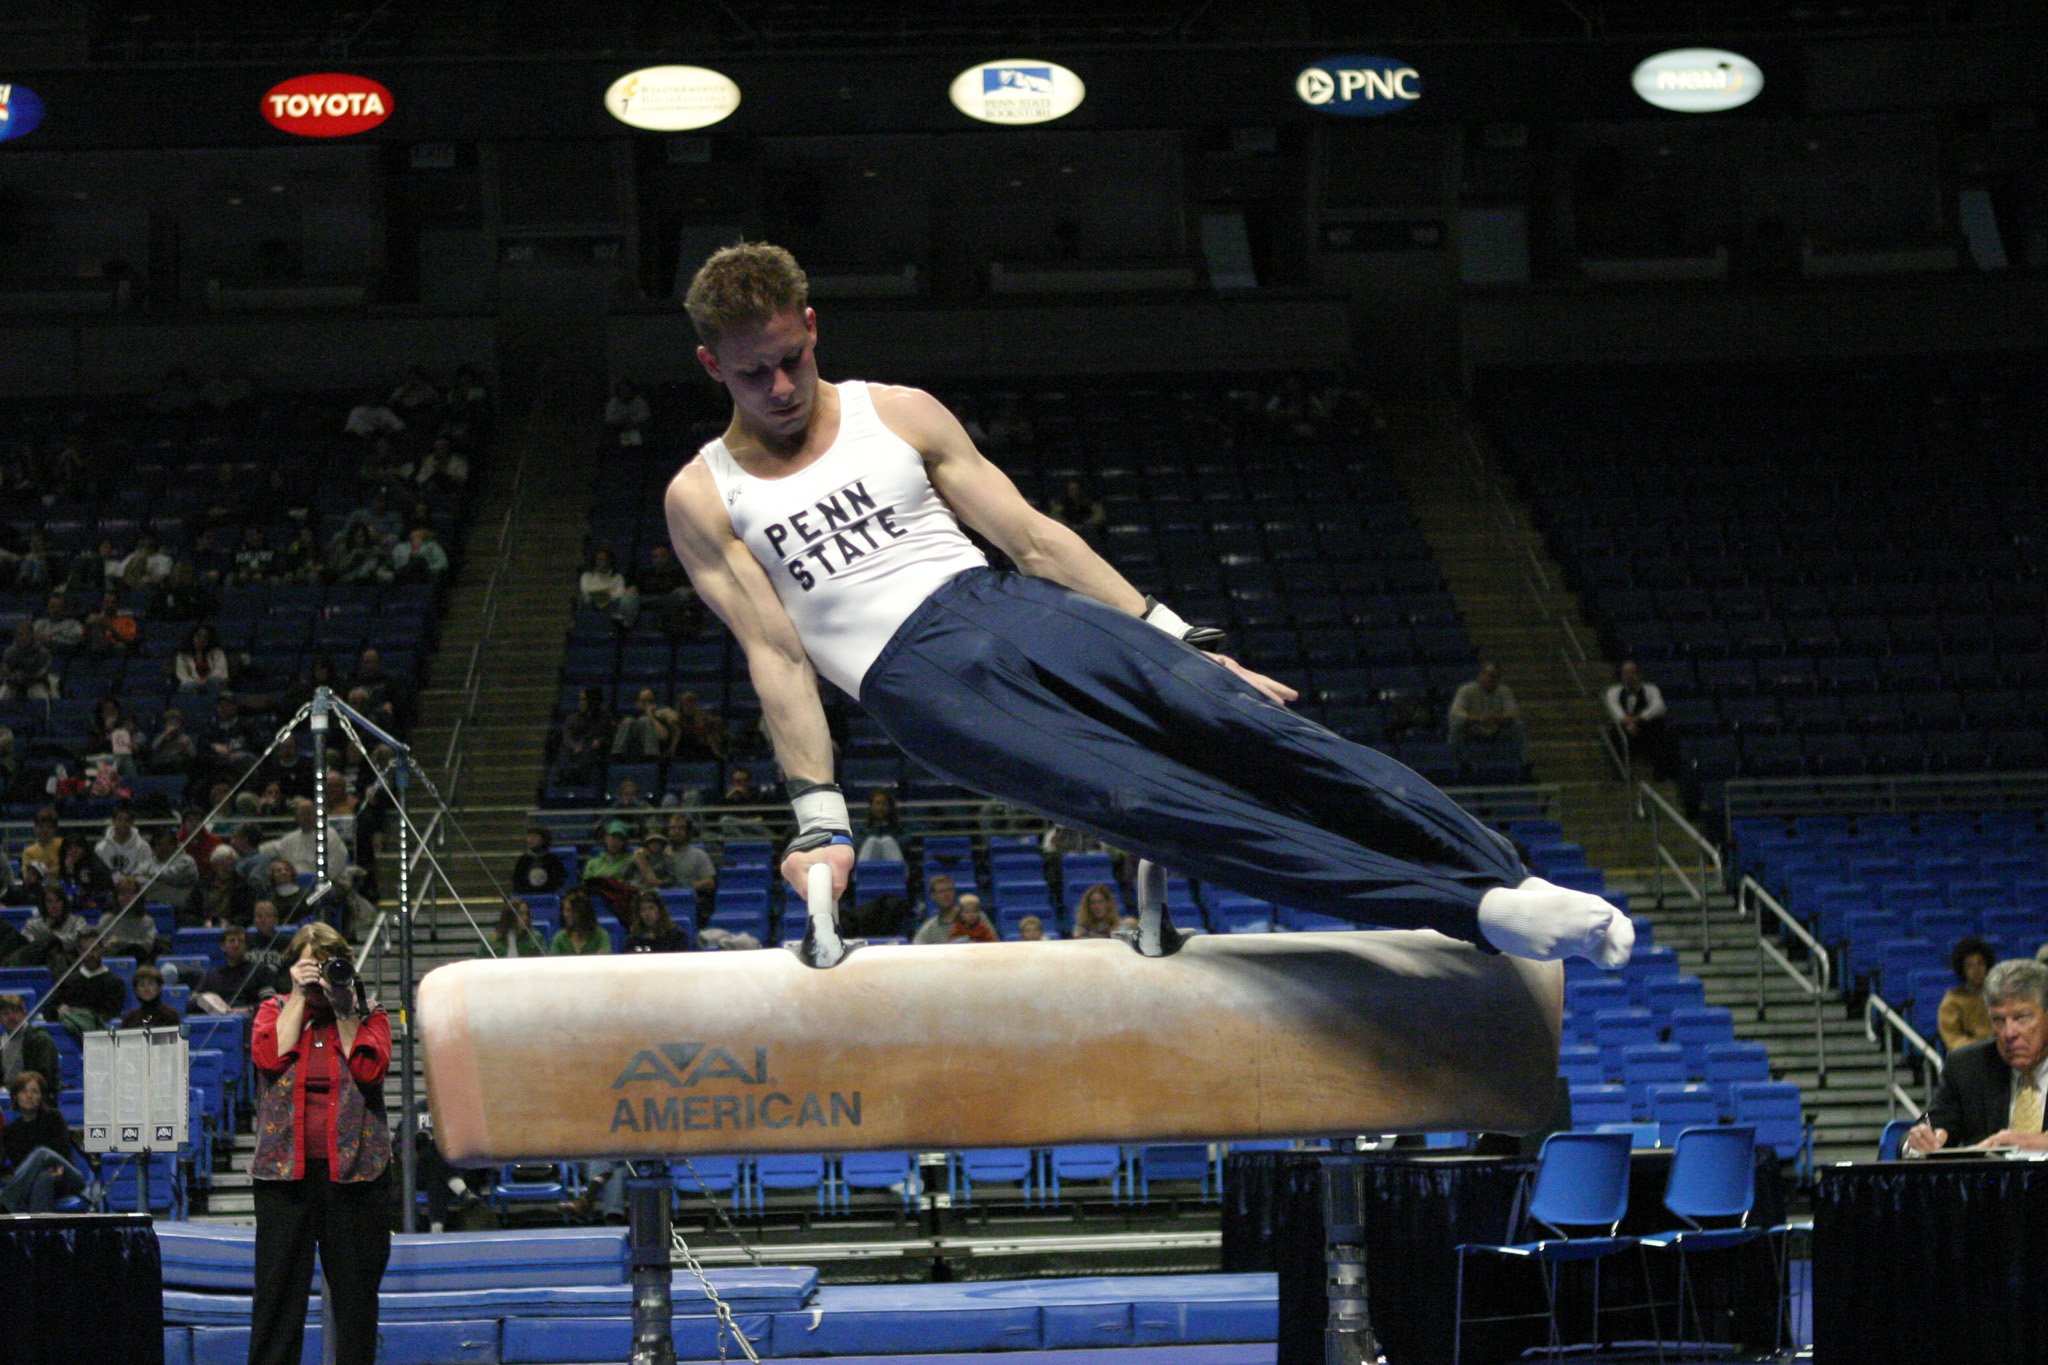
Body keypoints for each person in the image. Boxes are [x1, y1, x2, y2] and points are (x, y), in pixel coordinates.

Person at [666, 243, 1627, 970]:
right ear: (713, 367)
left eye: (790, 357)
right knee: (1151, 802)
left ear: (812, 324)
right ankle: (1475, 911)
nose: (782, 387)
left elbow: (1037, 540)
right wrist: (820, 817)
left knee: (1238, 719)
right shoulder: (705, 496)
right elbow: (781, 658)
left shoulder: (899, 411)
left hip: (1007, 601)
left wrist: (1182, 641)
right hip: (917, 683)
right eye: (754, 374)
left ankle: (1507, 877)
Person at [247, 921, 392, 1365]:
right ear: (294, 967)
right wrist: (296, 996)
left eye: (329, 964)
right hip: (282, 1176)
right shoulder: (273, 1010)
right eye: (310, 964)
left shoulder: (372, 1016)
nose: (319, 974)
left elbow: (368, 1071)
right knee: (276, 1295)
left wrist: (345, 1007)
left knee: (355, 1297)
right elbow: (270, 1057)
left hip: (355, 1176)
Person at [1906, 958, 2048, 1154]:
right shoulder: (1968, 1066)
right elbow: (1930, 1125)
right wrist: (1919, 1140)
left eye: (2021, 1017)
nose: (2009, 1033)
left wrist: (2031, 1141)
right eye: (1998, 1020)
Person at [0, 1070, 91, 1213]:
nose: (29, 1096)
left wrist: (55, 1168)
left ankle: (5, 1203)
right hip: (39, 1178)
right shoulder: (12, 1130)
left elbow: (64, 1154)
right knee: (44, 1179)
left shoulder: (53, 1117)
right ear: (16, 1096)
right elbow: (21, 1166)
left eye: (35, 1091)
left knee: (42, 1153)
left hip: (66, 1175)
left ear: (41, 1096)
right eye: (24, 1091)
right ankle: (38, 1233)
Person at [1602, 660, 1672, 778]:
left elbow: (1659, 706)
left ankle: (1660, 772)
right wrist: (1628, 722)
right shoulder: (1613, 691)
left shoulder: (1651, 689)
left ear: (1638, 674)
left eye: (1632, 672)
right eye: (1625, 672)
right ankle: (1621, 772)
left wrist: (1637, 719)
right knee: (1615, 732)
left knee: (1660, 728)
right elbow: (1614, 709)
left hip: (1645, 727)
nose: (1628, 676)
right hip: (1624, 728)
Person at [1448, 663, 1525, 761]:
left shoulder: (1505, 691)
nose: (1492, 679)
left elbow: (1513, 713)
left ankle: (1522, 763)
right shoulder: (1466, 690)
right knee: (1456, 726)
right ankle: (1456, 763)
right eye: (1490, 675)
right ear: (1481, 675)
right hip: (1473, 729)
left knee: (1518, 727)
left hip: (1497, 729)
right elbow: (1455, 713)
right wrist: (1478, 718)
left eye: (1496, 677)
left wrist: (1497, 719)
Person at [1939, 935, 1997, 1052]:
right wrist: (1982, 1047)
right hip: (1970, 1057)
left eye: (1980, 963)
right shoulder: (1952, 1001)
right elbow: (1953, 1040)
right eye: (1970, 965)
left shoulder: (1998, 995)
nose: (1976, 970)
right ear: (1962, 969)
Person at [0, 994, 60, 1092]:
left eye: (16, 1012)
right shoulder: (1, 1042)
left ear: (25, 1014)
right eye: (5, 1013)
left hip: (34, 1097)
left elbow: (42, 1079)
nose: (11, 1017)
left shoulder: (40, 1039)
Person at [623, 890, 690, 953]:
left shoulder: (676, 936)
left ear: (660, 910)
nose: (647, 913)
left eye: (651, 908)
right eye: (643, 909)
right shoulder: (635, 937)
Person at [549, 890, 613, 956]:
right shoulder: (560, 937)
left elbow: (604, 960)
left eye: (569, 910)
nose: (565, 914)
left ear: (582, 912)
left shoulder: (601, 936)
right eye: (564, 910)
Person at [511, 824, 569, 896]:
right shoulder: (523, 860)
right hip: (528, 899)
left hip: (549, 898)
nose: (530, 839)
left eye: (534, 837)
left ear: (543, 839)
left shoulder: (552, 859)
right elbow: (517, 882)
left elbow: (560, 880)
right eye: (529, 836)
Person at [121, 964, 181, 1029]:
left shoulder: (171, 1015)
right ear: (136, 991)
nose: (146, 988)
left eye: (150, 984)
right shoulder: (130, 1018)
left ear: (159, 988)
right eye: (142, 985)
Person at [174, 623, 231, 691]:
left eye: (205, 637)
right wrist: (198, 682)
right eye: (198, 636)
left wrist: (206, 681)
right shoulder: (182, 656)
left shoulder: (217, 653)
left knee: (215, 679)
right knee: (185, 685)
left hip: (212, 684)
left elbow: (220, 671)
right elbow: (182, 675)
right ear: (192, 637)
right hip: (194, 684)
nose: (201, 639)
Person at [911, 874, 962, 945]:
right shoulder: (929, 929)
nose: (946, 895)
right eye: (941, 891)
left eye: (949, 890)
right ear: (933, 896)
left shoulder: (975, 917)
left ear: (954, 892)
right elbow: (916, 949)